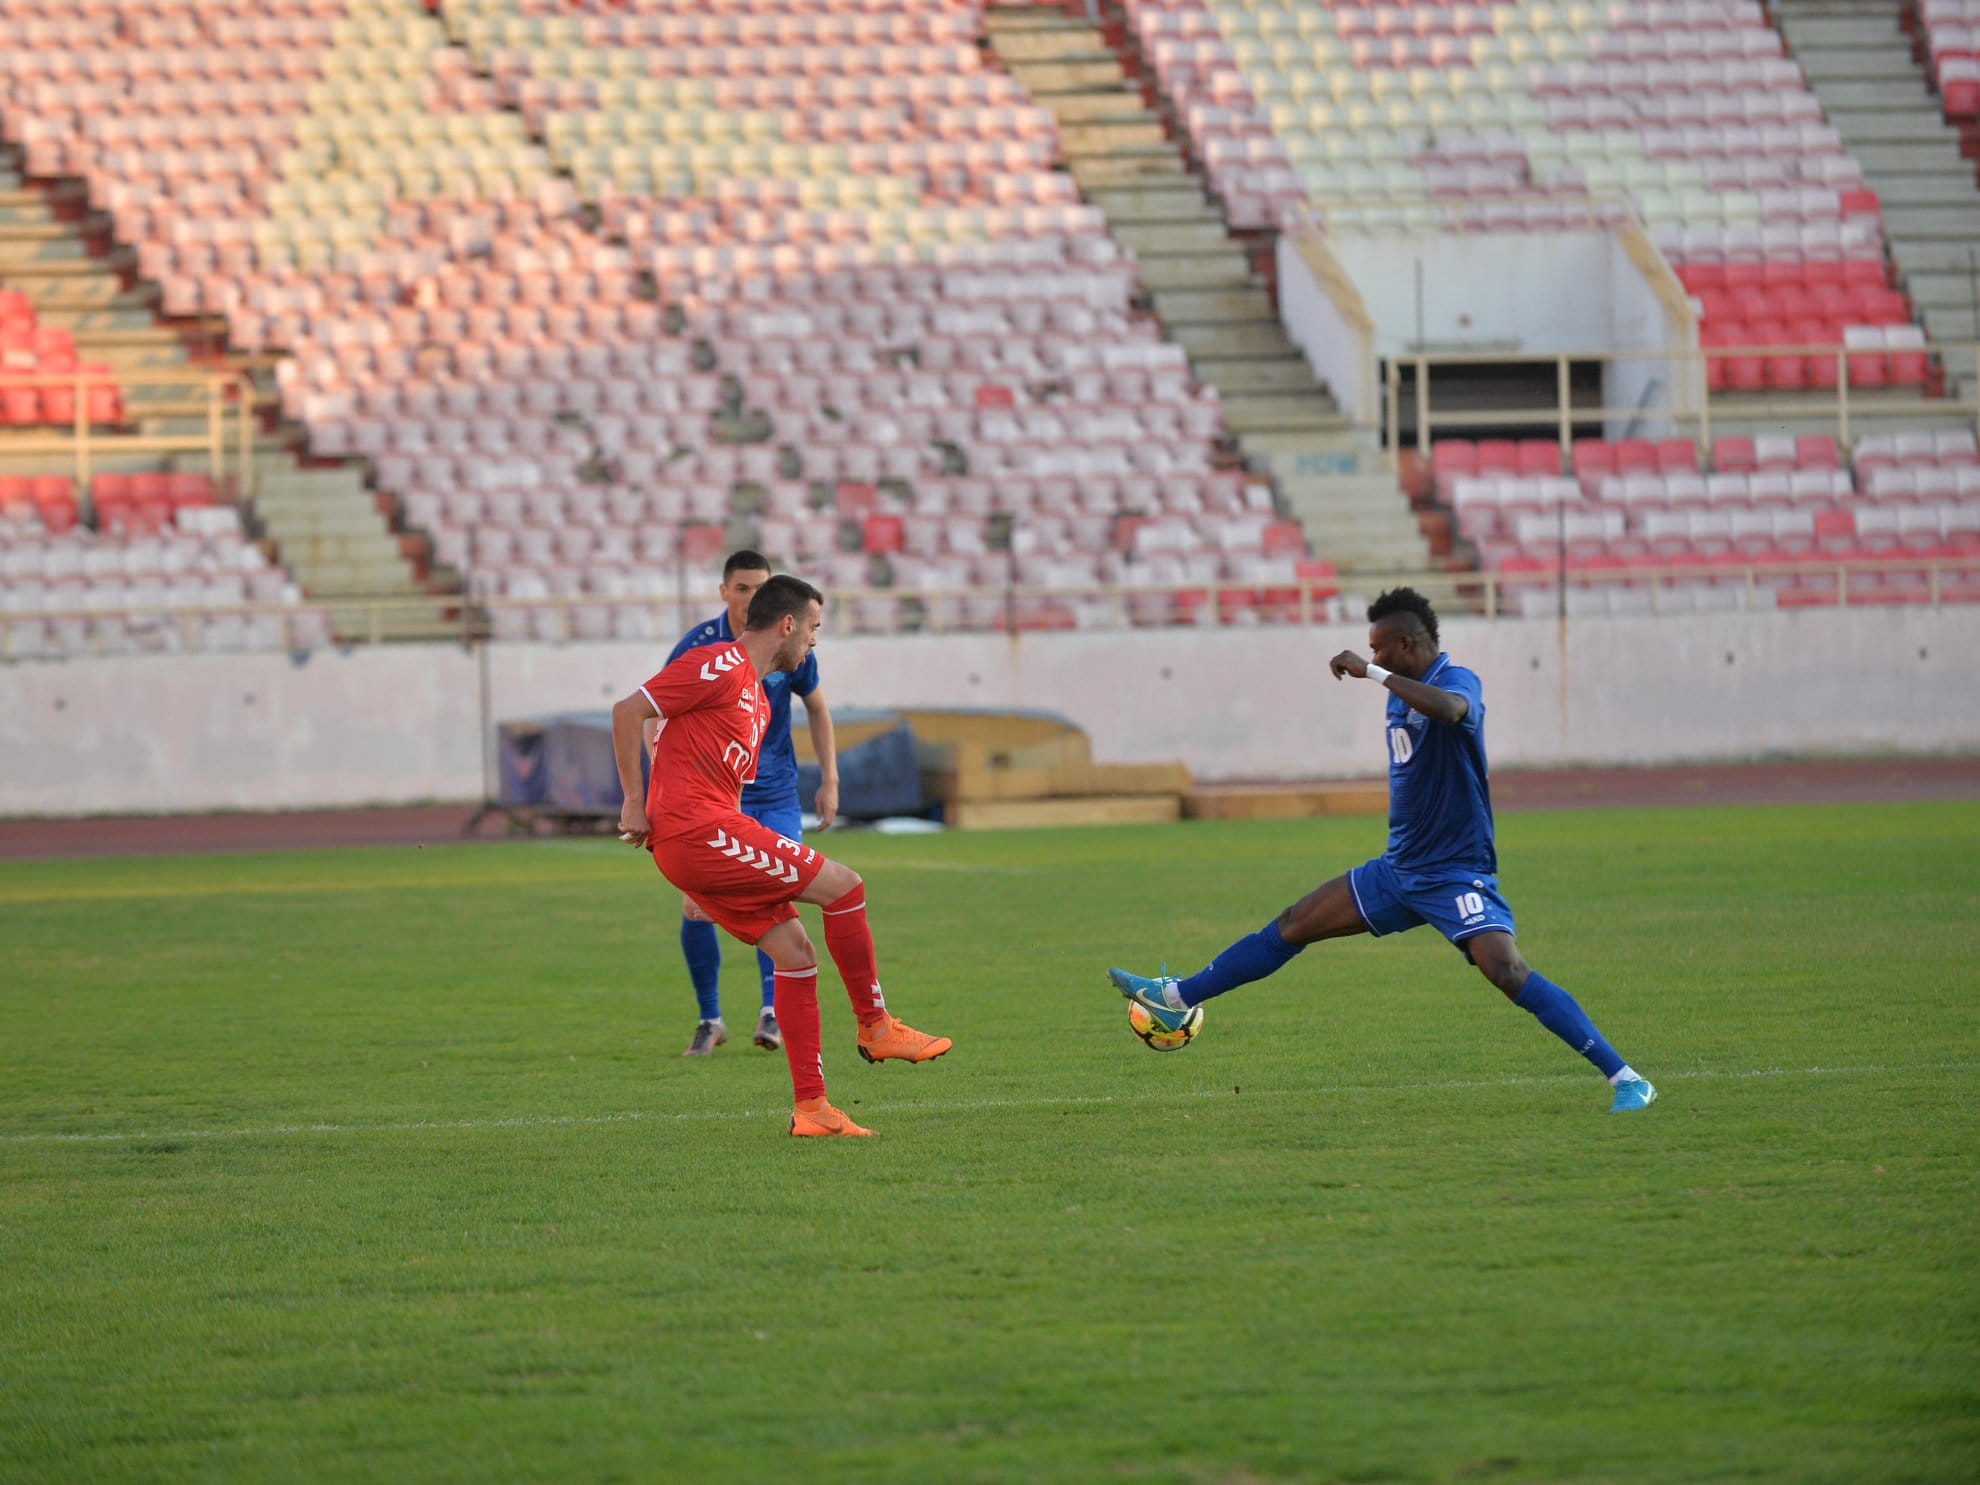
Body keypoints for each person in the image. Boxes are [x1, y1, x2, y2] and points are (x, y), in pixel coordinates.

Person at [1109, 586, 1656, 1114]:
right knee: (1294, 923)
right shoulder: (1401, 693)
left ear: (1408, 646)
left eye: (1379, 647)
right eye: (1370, 650)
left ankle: (1627, 1079)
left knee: (1506, 970)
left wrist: (1373, 673)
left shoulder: (1454, 680)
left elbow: (1451, 711)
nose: (1371, 655)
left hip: (1454, 876)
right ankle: (1176, 995)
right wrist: (1382, 677)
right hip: (1397, 873)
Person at [613, 574, 951, 1138]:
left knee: (795, 955)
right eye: (815, 628)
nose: (815, 642)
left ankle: (813, 1109)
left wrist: (698, 883)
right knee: (846, 886)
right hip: (698, 832)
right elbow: (629, 712)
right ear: (788, 624)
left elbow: (685, 756)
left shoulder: (758, 702)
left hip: (703, 839)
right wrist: (633, 802)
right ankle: (875, 1025)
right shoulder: (718, 663)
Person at [661, 549, 840, 1059]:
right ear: (724, 592)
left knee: (777, 897)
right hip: (710, 802)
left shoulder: (790, 644)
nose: (750, 597)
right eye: (741, 588)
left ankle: (771, 1010)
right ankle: (710, 1017)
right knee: (696, 911)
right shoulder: (699, 649)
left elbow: (818, 707)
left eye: (759, 588)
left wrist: (829, 777)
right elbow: (655, 714)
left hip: (777, 793)